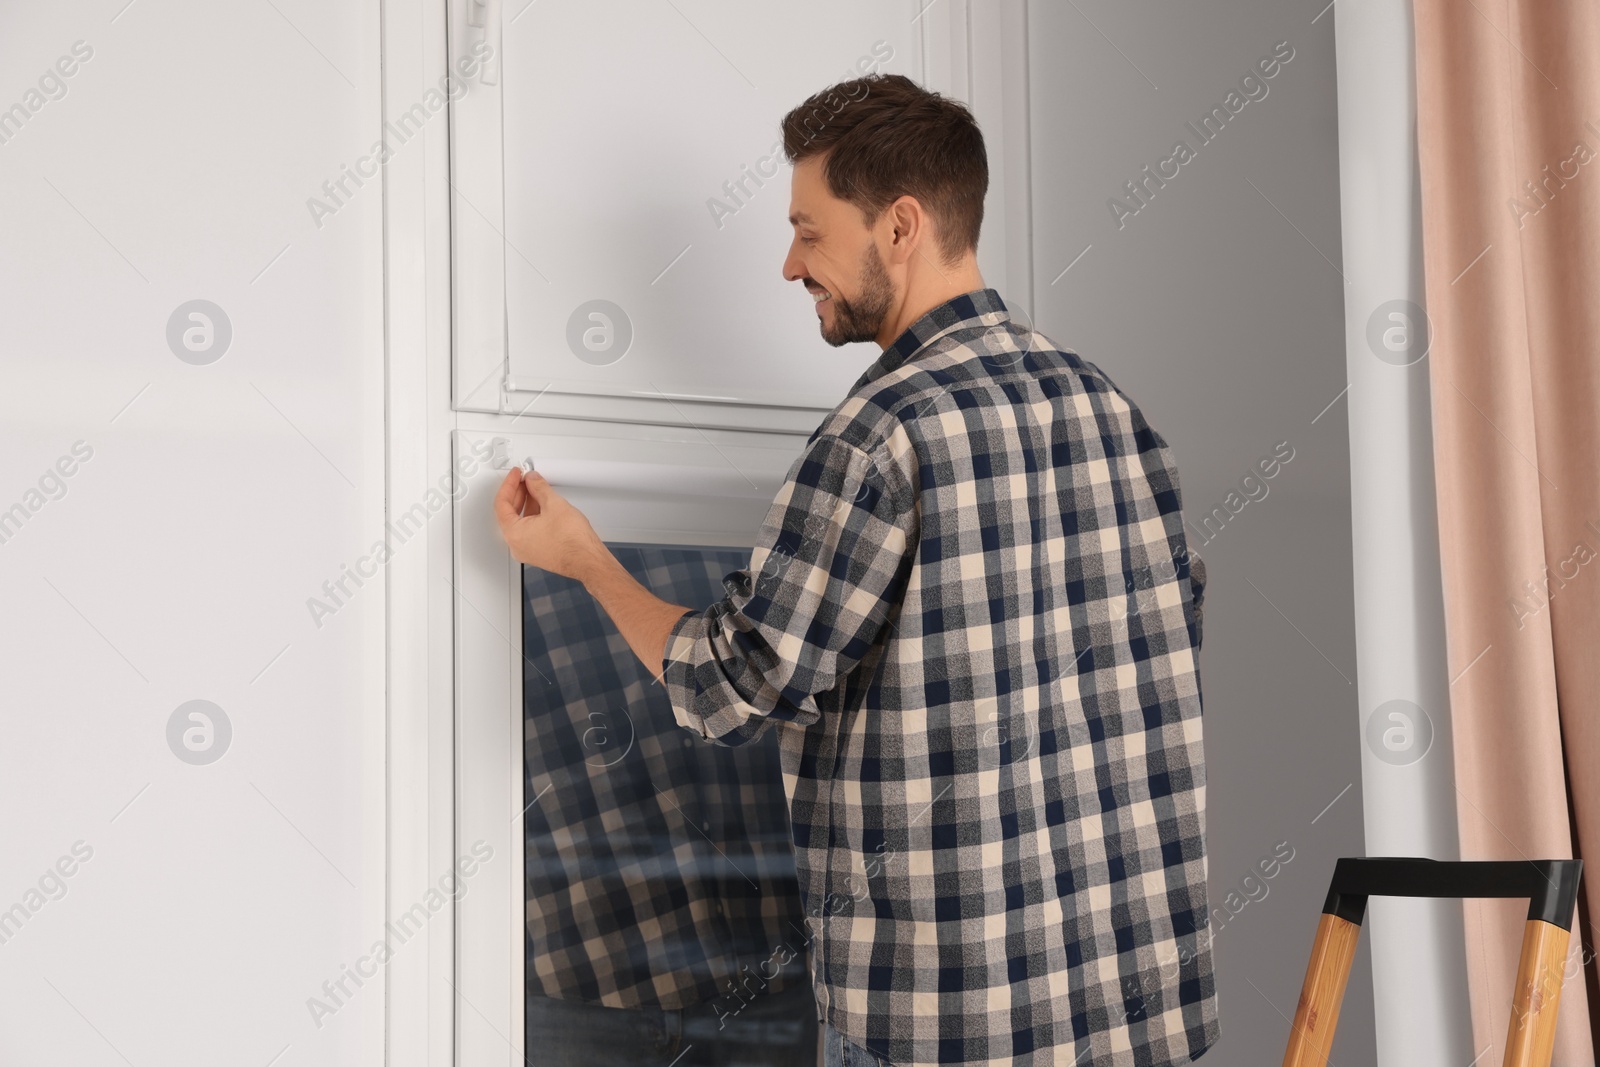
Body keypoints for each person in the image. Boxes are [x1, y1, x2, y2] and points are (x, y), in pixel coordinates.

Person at [497, 72, 1218, 1067]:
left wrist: (582, 560)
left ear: (900, 226)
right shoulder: (1112, 413)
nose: (790, 263)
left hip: (957, 1027)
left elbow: (729, 685)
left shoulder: (883, 435)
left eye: (807, 228)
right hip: (1128, 1006)